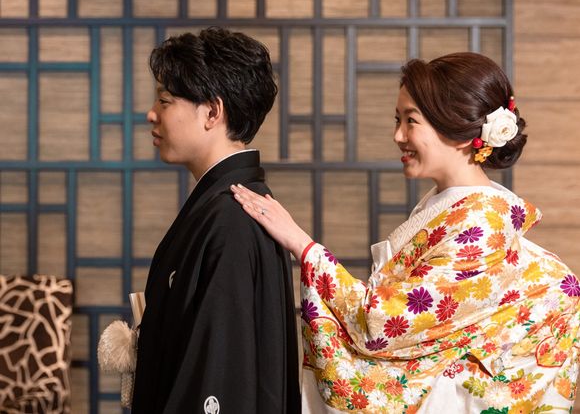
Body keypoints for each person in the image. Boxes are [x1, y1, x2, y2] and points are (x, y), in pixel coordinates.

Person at [231, 52, 580, 413]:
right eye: (397, 119)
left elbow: (383, 322)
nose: (398, 135)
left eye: (411, 121)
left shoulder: (482, 224)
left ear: (460, 132)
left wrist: (303, 246)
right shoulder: (453, 204)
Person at [132, 28, 301, 413]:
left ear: (212, 112)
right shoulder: (228, 204)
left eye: (165, 100)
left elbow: (220, 375)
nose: (152, 113)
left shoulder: (231, 218)